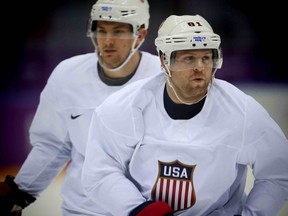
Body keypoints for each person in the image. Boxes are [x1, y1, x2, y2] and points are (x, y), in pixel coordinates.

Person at [81, 14, 288, 216]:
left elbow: (279, 173)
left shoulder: (243, 112)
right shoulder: (122, 108)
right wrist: (137, 209)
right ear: (164, 61)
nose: (199, 67)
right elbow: (99, 171)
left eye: (206, 58)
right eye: (189, 58)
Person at [0, 0, 162, 215]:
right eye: (101, 30)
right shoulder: (68, 74)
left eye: (119, 32)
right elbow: (53, 146)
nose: (108, 41)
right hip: (82, 210)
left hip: (146, 208)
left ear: (140, 35)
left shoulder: (164, 78)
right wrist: (20, 192)